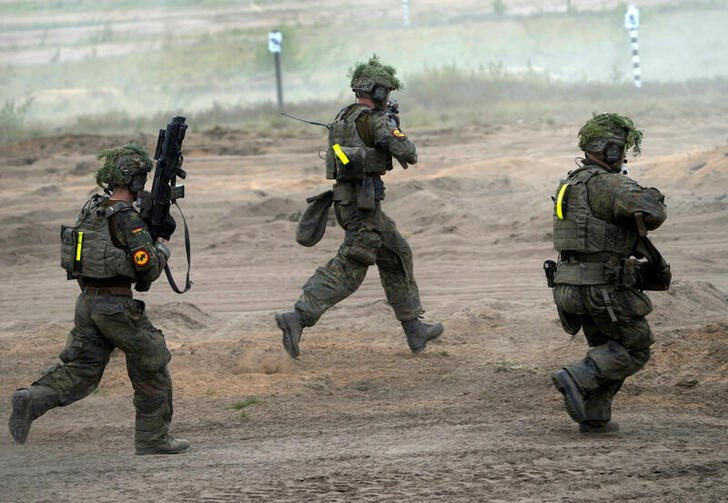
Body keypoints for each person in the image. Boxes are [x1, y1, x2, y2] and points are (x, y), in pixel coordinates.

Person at [8, 143, 190, 455]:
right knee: (152, 363)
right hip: (116, 306)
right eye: (141, 180)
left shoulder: (91, 210)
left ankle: (31, 399)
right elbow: (148, 270)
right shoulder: (127, 220)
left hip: (87, 303)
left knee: (82, 370)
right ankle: (153, 438)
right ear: (133, 181)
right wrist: (161, 244)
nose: (143, 185)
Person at [275, 55, 443, 357]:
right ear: (377, 92)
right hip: (362, 207)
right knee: (351, 267)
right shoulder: (375, 120)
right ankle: (298, 317)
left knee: (396, 253)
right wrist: (393, 126)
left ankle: (413, 328)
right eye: (387, 92)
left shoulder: (344, 117)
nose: (388, 97)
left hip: (350, 202)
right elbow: (409, 152)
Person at [548, 113, 670, 433]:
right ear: (610, 151)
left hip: (569, 286)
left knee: (606, 347)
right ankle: (575, 376)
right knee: (634, 346)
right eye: (621, 150)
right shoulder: (610, 184)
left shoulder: (570, 184)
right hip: (602, 287)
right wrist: (651, 193)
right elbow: (653, 212)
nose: (624, 156)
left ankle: (595, 414)